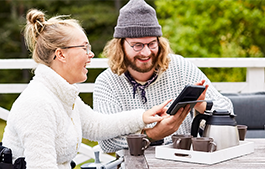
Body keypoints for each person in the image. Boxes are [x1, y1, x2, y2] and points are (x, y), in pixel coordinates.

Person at [1, 9, 179, 169]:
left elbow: (97, 126)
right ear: (60, 54)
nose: (91, 54)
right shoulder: (37, 103)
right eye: (84, 47)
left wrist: (143, 117)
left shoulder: (60, 95)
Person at [93, 0, 234, 153]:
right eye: (137, 45)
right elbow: (107, 143)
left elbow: (228, 110)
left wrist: (202, 106)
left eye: (152, 44)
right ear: (120, 45)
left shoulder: (180, 67)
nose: (146, 53)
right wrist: (154, 135)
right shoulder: (106, 82)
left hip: (185, 160)